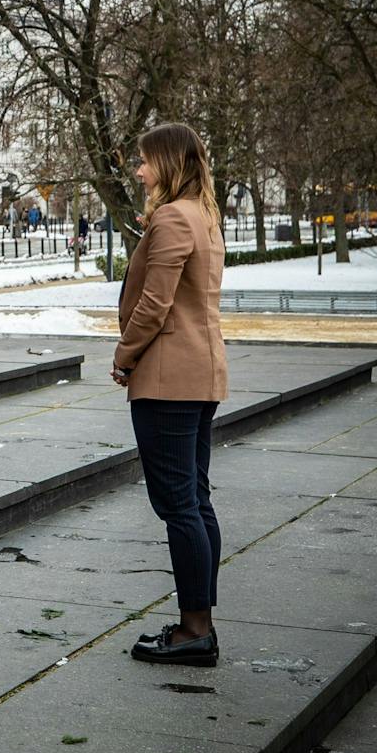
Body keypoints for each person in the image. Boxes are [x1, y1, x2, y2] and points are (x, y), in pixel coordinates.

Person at [110, 123, 230, 667]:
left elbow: (154, 306)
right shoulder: (201, 215)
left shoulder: (173, 217)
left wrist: (124, 355)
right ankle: (197, 622)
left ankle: (193, 631)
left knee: (178, 504)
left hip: (167, 379)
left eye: (144, 161)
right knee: (195, 501)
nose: (138, 170)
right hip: (199, 374)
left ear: (168, 164)